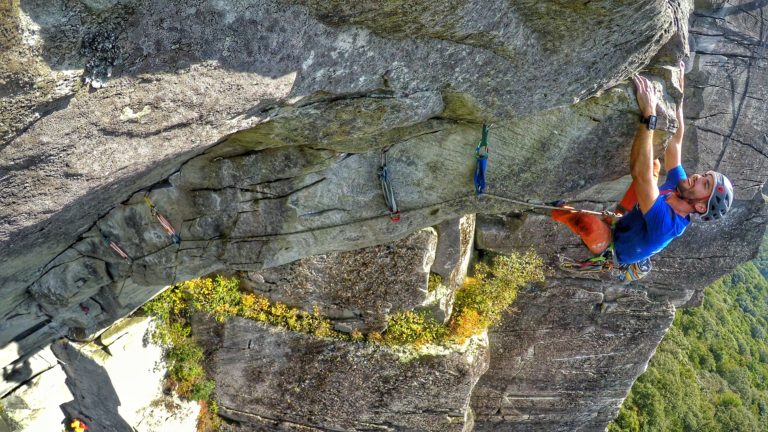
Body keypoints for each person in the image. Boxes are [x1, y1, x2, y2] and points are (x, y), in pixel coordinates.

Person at [552, 62, 733, 280]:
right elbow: (675, 142)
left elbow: (640, 174)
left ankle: (554, 207)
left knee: (587, 224)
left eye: (705, 184)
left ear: (701, 206)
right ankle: (617, 215)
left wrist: (649, 116)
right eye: (705, 176)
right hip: (627, 217)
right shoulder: (681, 187)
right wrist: (679, 96)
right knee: (654, 163)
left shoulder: (668, 224)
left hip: (613, 246)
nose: (698, 177)